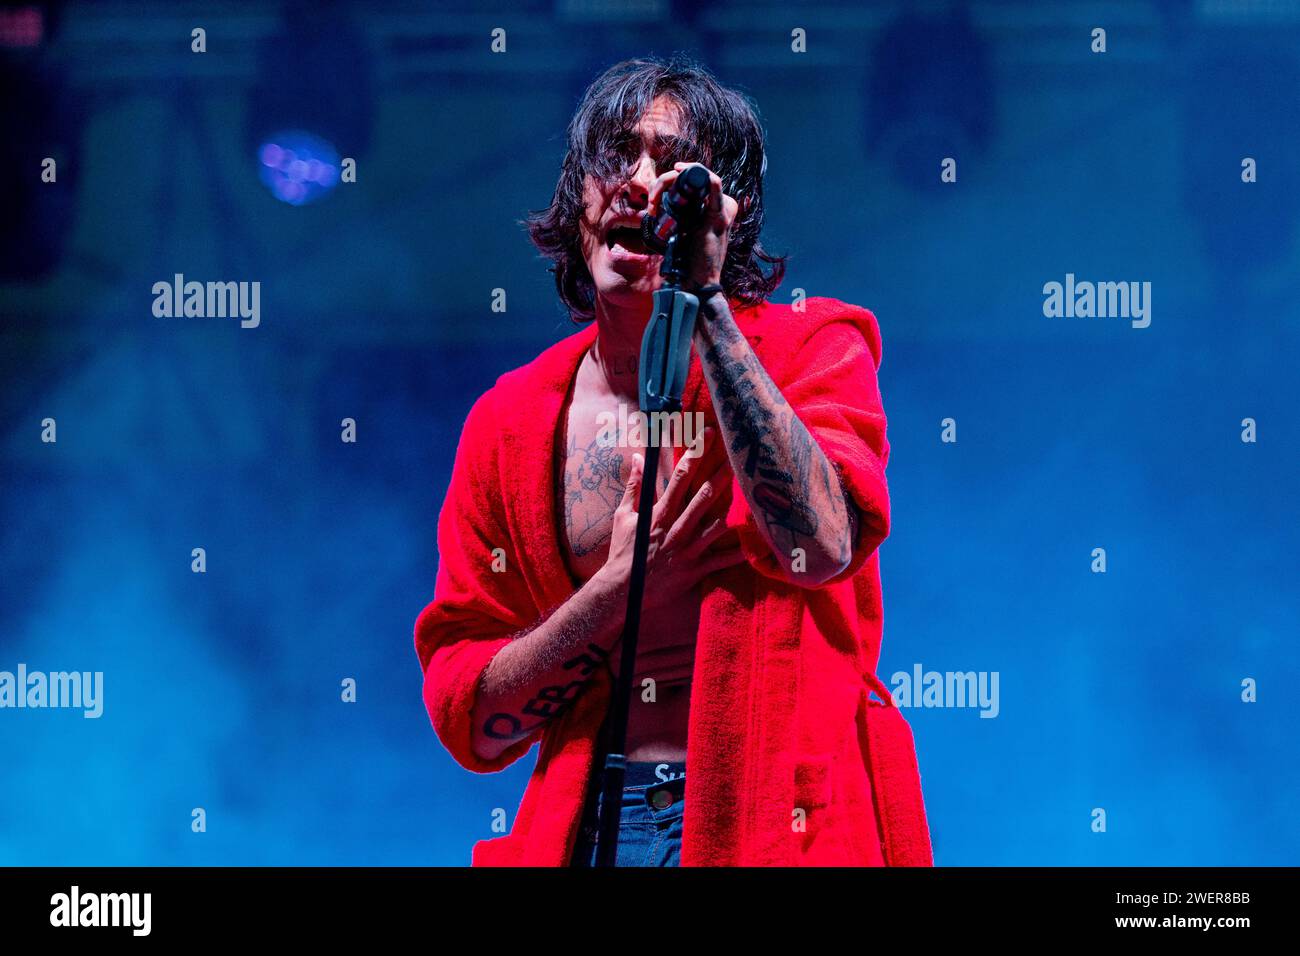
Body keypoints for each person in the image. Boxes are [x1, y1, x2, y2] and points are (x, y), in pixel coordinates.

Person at [415, 55, 932, 867]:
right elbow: (469, 720)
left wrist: (708, 303)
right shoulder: (507, 424)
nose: (637, 181)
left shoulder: (812, 350)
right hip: (594, 824)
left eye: (669, 164)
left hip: (782, 825)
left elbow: (823, 544)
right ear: (576, 193)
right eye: (615, 156)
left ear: (722, 211)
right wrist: (614, 595)